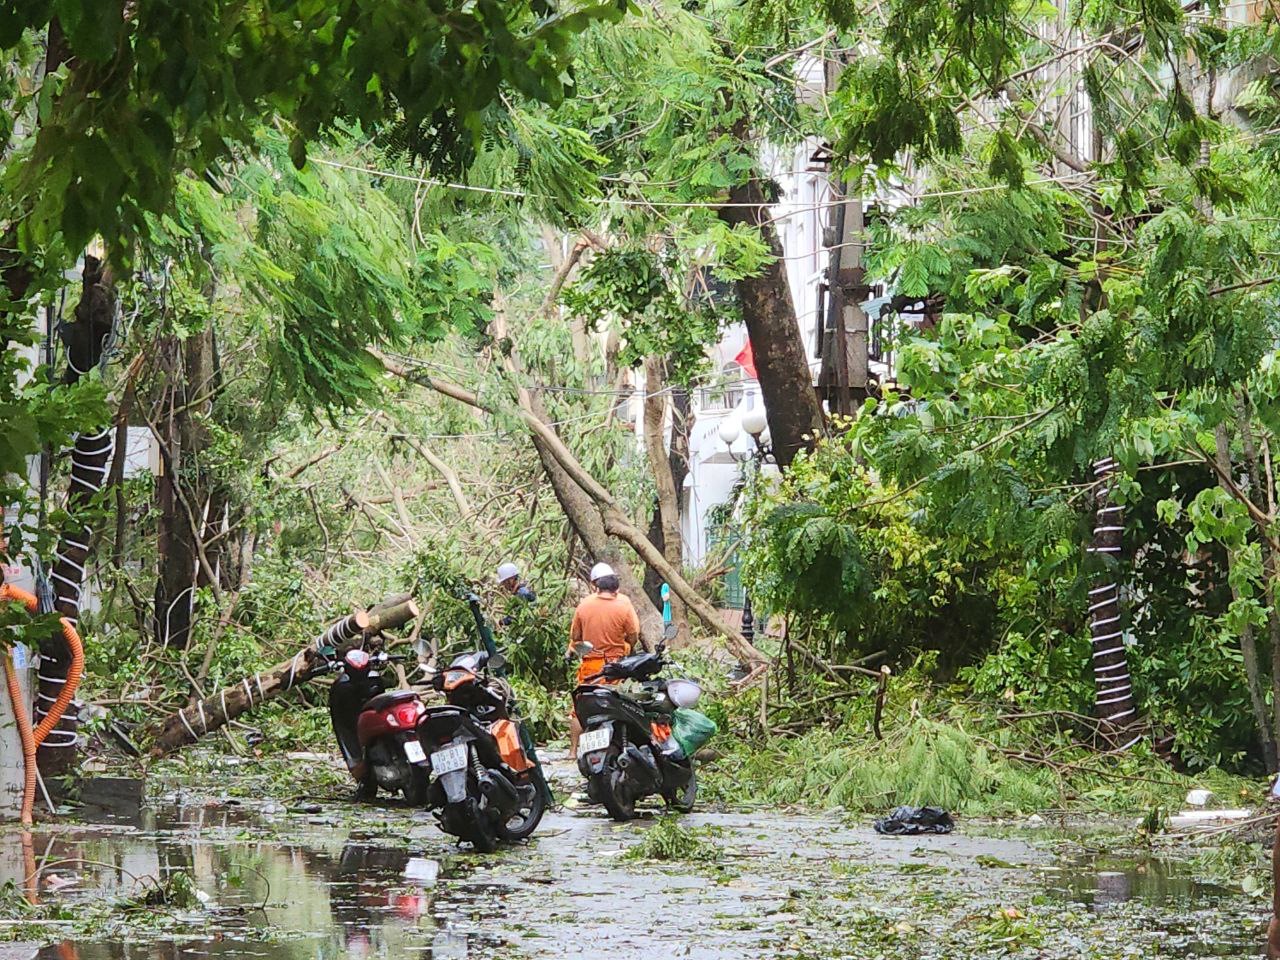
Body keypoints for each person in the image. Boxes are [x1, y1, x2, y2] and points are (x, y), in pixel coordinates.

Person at [566, 561, 640, 759]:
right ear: (615, 588)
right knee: (620, 705)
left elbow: (575, 637)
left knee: (579, 708)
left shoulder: (584, 605)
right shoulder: (623, 605)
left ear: (596, 586)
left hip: (591, 666)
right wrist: (625, 646)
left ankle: (573, 751)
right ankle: (618, 747)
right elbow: (633, 635)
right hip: (615, 666)